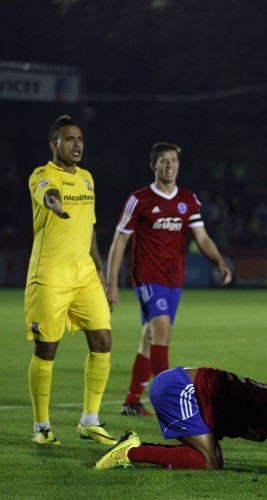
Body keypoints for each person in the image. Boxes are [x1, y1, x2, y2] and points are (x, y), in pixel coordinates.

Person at [106, 143, 232, 416]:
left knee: (149, 338)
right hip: (147, 278)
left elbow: (202, 238)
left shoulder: (188, 199)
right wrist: (112, 283)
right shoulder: (139, 199)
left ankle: (131, 401)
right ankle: (170, 405)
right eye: (164, 160)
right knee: (162, 330)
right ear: (154, 166)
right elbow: (119, 241)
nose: (170, 165)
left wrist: (219, 261)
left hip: (174, 280)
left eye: (174, 160)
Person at [25, 114, 117, 446]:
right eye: (69, 139)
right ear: (54, 144)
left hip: (85, 276)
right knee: (47, 348)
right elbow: (48, 195)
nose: (77, 144)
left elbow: (89, 229)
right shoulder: (42, 175)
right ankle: (41, 425)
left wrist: (102, 272)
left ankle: (90, 420)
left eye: (79, 139)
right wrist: (56, 205)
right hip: (49, 276)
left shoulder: (88, 179)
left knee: (103, 340)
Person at [94, 366, 267, 473]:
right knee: (207, 462)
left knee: (214, 461)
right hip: (179, 389)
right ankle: (130, 453)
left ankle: (133, 446)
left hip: (183, 388)